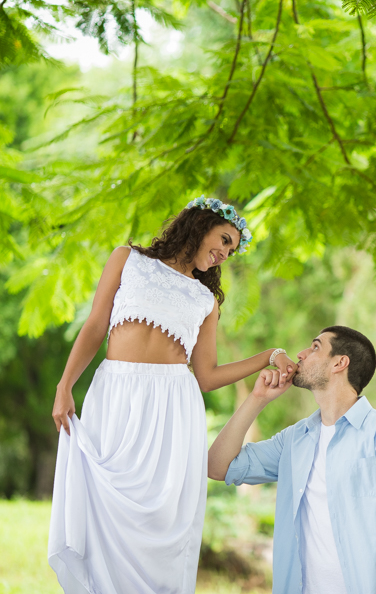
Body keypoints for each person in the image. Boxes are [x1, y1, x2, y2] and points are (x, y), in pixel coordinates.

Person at [48, 196, 297, 594]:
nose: (224, 253)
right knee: (103, 509)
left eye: (231, 250)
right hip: (114, 395)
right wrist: (65, 385)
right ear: (199, 224)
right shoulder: (126, 259)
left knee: (159, 521)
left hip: (171, 409)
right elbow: (96, 325)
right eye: (224, 239)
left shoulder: (205, 301)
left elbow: (209, 376)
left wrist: (267, 356)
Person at [208, 326, 376, 594]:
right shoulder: (294, 439)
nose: (300, 354)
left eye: (315, 347)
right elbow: (218, 466)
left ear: (340, 363)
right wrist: (257, 399)